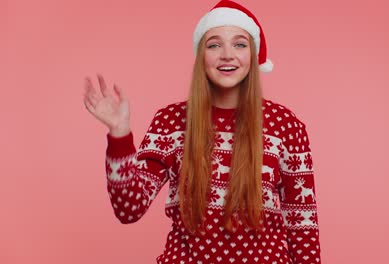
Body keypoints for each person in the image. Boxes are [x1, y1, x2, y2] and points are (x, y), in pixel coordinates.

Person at [83, 0, 321, 263]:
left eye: (239, 44)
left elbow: (303, 229)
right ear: (201, 57)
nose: (227, 54)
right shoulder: (171, 122)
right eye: (214, 44)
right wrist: (119, 133)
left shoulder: (285, 125)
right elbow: (129, 208)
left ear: (252, 55)